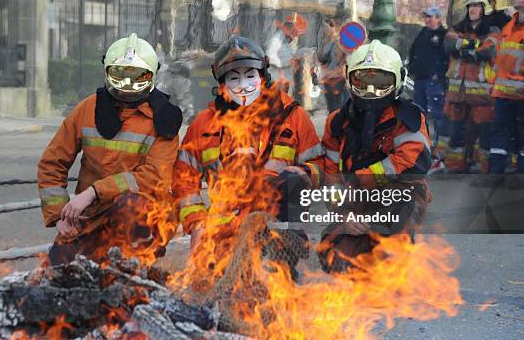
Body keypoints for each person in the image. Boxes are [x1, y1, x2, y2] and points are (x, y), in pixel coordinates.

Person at [38, 34, 182, 265]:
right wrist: (58, 216)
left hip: (143, 218)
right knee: (59, 274)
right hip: (91, 218)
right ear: (107, 71)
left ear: (152, 75)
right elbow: (52, 163)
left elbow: (153, 178)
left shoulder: (164, 120)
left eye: (137, 77)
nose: (127, 86)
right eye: (119, 75)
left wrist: (93, 192)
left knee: (129, 214)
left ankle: (135, 270)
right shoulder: (87, 110)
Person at [172, 35, 323, 255]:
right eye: (234, 78)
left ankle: (284, 255)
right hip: (222, 231)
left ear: (263, 76)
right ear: (221, 83)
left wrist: (301, 174)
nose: (243, 86)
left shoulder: (292, 116)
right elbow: (183, 182)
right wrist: (196, 224)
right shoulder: (204, 124)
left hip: (274, 224)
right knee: (211, 283)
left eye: (250, 76)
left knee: (273, 283)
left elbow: (320, 165)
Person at [318, 40, 432, 272]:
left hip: (394, 201)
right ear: (350, 80)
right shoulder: (337, 122)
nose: (371, 91)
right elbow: (330, 176)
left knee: (402, 202)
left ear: (397, 81)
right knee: (332, 257)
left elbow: (413, 163)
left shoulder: (408, 118)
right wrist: (345, 214)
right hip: (354, 204)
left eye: (380, 83)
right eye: (363, 83)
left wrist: (362, 180)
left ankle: (395, 247)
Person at [443, 0, 499, 173]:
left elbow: (489, 50)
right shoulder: (458, 28)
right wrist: (472, 46)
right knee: (457, 132)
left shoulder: (492, 30)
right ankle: (456, 165)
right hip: (458, 93)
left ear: (484, 8)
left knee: (484, 134)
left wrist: (467, 49)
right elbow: (449, 44)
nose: (473, 9)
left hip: (482, 94)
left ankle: (485, 169)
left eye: (477, 6)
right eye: (470, 6)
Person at [488, 0, 524, 174]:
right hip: (503, 94)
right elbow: (500, 59)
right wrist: (493, 83)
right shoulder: (510, 25)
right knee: (499, 136)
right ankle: (495, 175)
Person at [408, 6, 449, 149]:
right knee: (419, 112)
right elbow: (413, 51)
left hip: (434, 81)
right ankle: (422, 142)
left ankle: (439, 145)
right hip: (420, 79)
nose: (427, 20)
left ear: (438, 18)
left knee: (438, 113)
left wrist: (439, 73)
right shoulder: (423, 33)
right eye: (426, 17)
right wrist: (412, 68)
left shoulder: (443, 35)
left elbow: (446, 57)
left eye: (430, 17)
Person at [317, 17, 349, 112]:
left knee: (338, 108)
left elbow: (345, 63)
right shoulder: (327, 41)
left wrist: (332, 73)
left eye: (327, 28)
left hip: (338, 80)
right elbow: (323, 59)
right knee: (332, 108)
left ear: (334, 27)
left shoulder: (341, 42)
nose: (326, 30)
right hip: (329, 80)